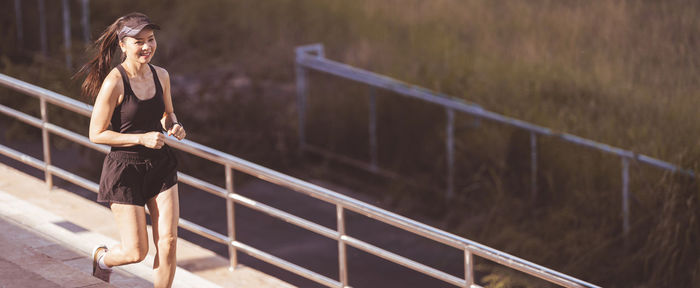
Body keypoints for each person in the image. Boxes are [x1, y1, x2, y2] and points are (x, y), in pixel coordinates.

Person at [74, 12, 186, 287]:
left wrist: (174, 125)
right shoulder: (115, 81)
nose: (147, 46)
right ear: (123, 45)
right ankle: (102, 258)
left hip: (160, 165)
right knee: (137, 252)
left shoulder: (161, 75)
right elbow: (96, 133)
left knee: (169, 242)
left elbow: (167, 114)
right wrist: (141, 139)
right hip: (125, 169)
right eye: (139, 41)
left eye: (151, 39)